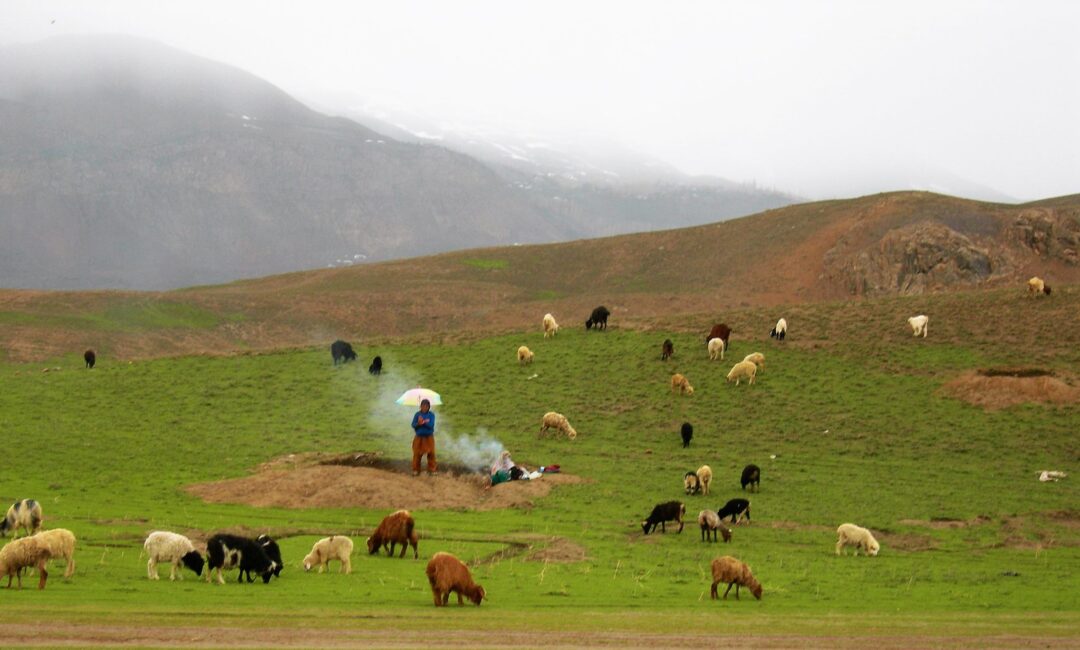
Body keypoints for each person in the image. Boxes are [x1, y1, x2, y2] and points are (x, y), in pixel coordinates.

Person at [411, 399, 437, 476]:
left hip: (429, 437)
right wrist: (418, 423)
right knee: (417, 454)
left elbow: (431, 425)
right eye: (423, 406)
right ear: (420, 406)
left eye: (426, 406)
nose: (424, 407)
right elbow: (413, 425)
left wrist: (424, 422)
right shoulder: (417, 415)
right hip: (419, 437)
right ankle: (416, 470)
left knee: (431, 453)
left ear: (429, 407)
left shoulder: (431, 415)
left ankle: (432, 470)